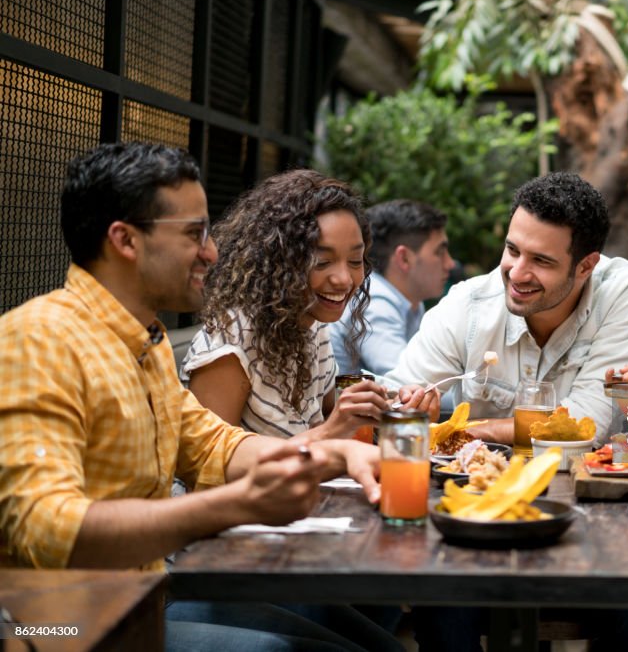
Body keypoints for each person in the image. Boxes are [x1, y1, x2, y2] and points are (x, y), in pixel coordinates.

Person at [0, 143, 402, 651]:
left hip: (143, 599)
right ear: (125, 240)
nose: (212, 252)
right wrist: (234, 504)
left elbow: (214, 445)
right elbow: (45, 526)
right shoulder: (41, 339)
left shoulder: (145, 342)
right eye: (194, 234)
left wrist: (338, 452)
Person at [384, 171, 628, 445]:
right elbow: (394, 399)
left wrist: (466, 430)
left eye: (540, 260)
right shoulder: (469, 304)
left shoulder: (623, 293)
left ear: (586, 266)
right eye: (513, 250)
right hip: (475, 484)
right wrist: (407, 405)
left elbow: (587, 426)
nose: (516, 274)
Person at [181, 171, 437, 440]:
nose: (343, 279)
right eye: (322, 262)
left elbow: (338, 418)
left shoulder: (311, 329)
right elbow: (207, 472)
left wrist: (398, 408)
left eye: (355, 261)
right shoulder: (231, 345)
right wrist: (333, 428)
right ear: (278, 261)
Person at [330, 199, 455, 376]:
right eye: (440, 252)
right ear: (404, 259)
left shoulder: (409, 301)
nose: (450, 263)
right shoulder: (374, 302)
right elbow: (407, 383)